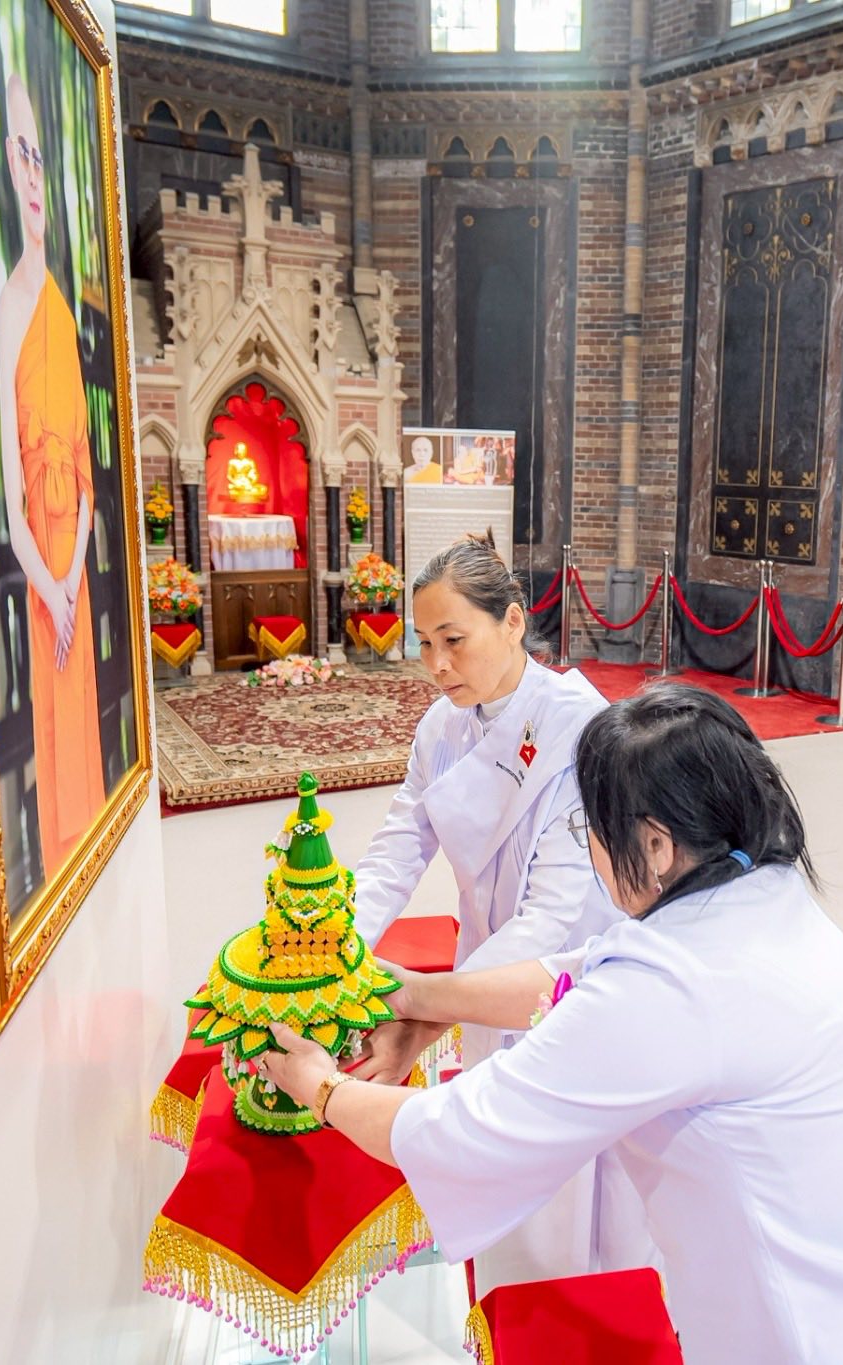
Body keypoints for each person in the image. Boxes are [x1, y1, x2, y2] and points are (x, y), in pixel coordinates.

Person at [258, 686, 843, 1364]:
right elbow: (577, 974)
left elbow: (464, 1128)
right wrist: (421, 999)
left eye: (589, 830)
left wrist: (320, 1087)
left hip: (833, 1336)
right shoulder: (761, 900)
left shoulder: (669, 990)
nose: (589, 850)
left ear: (655, 845)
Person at [344, 535, 647, 1292]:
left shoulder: (583, 728)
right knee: (496, 1176)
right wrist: (332, 942)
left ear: (513, 622)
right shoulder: (442, 726)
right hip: (484, 972)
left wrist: (423, 1013)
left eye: (455, 640)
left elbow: (552, 915)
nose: (437, 664)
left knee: (570, 1200)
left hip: (559, 985)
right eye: (424, 643)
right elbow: (397, 846)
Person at [0, 72, 102, 872]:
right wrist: (51, 585)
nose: (32, 173)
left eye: (40, 155)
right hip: (43, 565)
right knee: (54, 703)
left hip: (75, 556)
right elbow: (7, 481)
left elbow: (90, 476)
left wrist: (76, 577)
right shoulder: (10, 303)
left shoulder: (63, 299)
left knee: (87, 736)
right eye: (20, 154)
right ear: (5, 164)